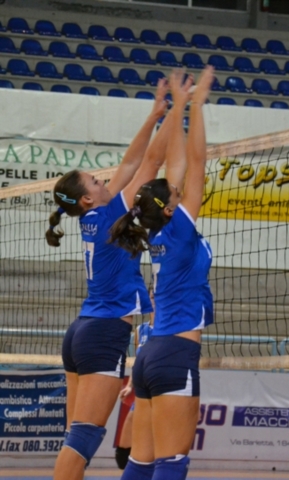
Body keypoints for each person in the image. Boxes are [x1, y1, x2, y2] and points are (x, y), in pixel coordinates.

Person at [45, 79, 174, 480]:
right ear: (88, 197)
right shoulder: (109, 215)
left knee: (74, 435)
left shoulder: (95, 217)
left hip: (82, 331)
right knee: (83, 438)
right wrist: (176, 112)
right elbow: (150, 162)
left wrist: (153, 114)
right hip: (102, 333)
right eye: (97, 182)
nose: (105, 181)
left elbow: (131, 164)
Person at [109, 66, 214, 480]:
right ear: (170, 207)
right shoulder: (180, 230)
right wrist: (196, 106)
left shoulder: (154, 229)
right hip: (174, 353)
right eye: (175, 192)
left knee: (141, 462)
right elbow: (197, 163)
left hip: (150, 356)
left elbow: (176, 166)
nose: (180, 188)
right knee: (172, 463)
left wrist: (179, 107)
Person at [116, 286, 155, 470]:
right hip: (142, 394)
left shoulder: (171, 330)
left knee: (153, 452)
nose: (154, 299)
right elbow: (138, 362)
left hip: (161, 393)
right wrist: (130, 385)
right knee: (122, 455)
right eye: (152, 296)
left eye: (158, 295)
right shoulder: (141, 330)